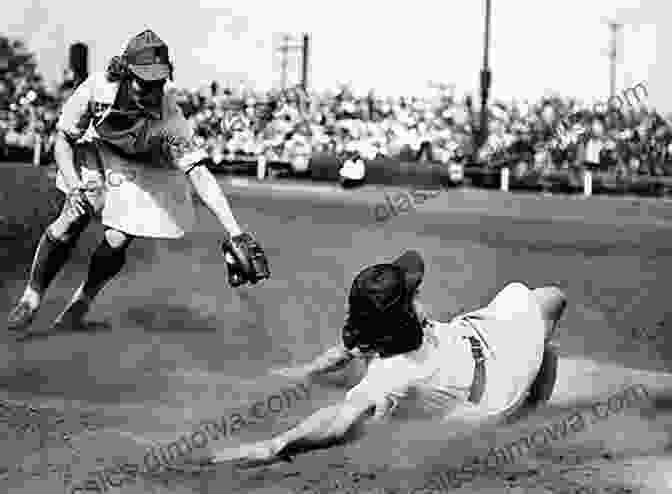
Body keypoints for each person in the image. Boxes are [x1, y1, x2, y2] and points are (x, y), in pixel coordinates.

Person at [188, 250, 564, 468]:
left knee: (550, 298)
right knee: (548, 305)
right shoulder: (389, 377)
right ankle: (529, 413)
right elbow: (339, 421)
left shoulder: (384, 328)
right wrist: (274, 446)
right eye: (413, 295)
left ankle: (533, 384)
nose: (420, 294)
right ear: (401, 313)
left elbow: (346, 350)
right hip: (494, 392)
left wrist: (304, 372)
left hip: (473, 337)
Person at [7, 30, 270, 339]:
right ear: (125, 72)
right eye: (144, 82)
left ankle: (80, 303)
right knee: (73, 217)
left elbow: (198, 172)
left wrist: (234, 230)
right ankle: (32, 296)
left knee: (118, 238)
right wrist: (76, 185)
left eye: (158, 82)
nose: (152, 90)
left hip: (142, 163)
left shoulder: (169, 114)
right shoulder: (96, 88)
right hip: (97, 148)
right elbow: (63, 139)